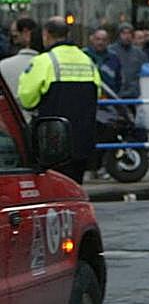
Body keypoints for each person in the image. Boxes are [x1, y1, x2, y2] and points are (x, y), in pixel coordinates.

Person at [17, 16, 101, 183]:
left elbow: (26, 99)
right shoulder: (87, 61)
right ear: (67, 34)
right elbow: (96, 94)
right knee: (74, 187)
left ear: (46, 34)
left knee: (53, 189)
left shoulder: (44, 61)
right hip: (82, 140)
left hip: (52, 142)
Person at [1, 18, 42, 111]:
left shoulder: (3, 65)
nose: (12, 36)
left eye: (15, 33)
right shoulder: (47, 64)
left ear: (26, 33)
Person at [112, 22, 148, 99]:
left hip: (134, 94)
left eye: (129, 33)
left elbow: (144, 73)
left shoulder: (139, 53)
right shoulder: (111, 52)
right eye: (124, 33)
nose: (126, 36)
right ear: (119, 35)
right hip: (115, 94)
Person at [83, 27, 122, 95]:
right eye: (98, 39)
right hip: (88, 96)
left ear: (108, 41)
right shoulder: (84, 55)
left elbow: (119, 80)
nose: (100, 42)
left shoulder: (114, 57)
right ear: (92, 39)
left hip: (109, 98)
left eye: (104, 40)